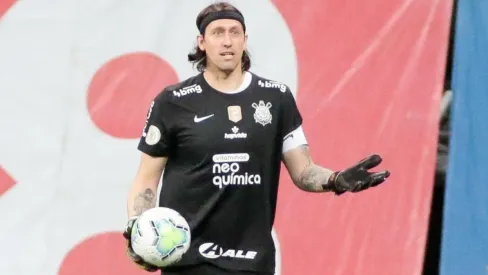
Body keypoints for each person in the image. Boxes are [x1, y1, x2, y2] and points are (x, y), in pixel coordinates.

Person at [123, 2, 390, 275]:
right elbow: (147, 178)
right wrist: (137, 228)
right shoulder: (173, 102)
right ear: (202, 42)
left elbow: (303, 171)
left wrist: (336, 180)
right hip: (189, 261)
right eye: (217, 33)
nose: (227, 42)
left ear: (245, 40)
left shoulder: (276, 98)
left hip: (253, 262)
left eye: (234, 32)